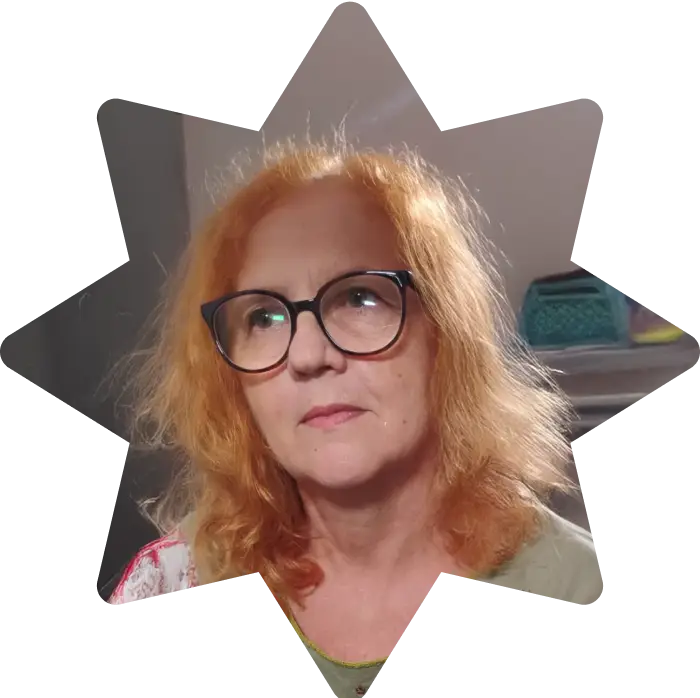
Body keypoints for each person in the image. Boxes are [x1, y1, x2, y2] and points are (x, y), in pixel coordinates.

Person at [108, 136, 603, 668]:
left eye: (358, 297)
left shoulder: (579, 592)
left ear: (444, 333)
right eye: (263, 318)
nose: (308, 355)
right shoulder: (172, 585)